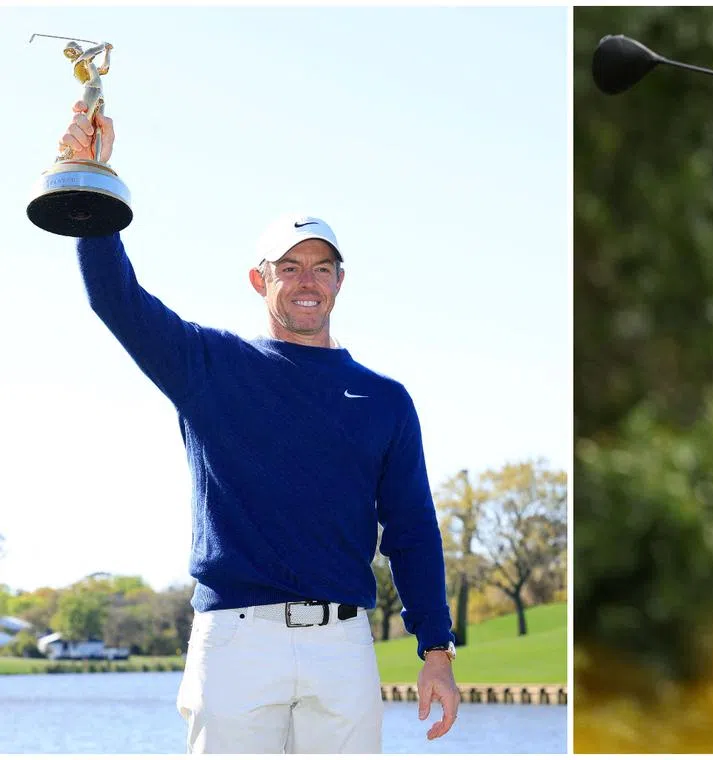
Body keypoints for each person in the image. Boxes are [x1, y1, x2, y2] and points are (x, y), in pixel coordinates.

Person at [58, 100, 461, 753]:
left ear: (340, 281)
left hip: (344, 647)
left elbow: (413, 532)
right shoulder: (209, 366)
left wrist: (436, 649)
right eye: (290, 267)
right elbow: (115, 299)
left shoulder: (386, 400)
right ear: (259, 279)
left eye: (322, 267)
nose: (308, 282)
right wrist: (88, 184)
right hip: (237, 642)